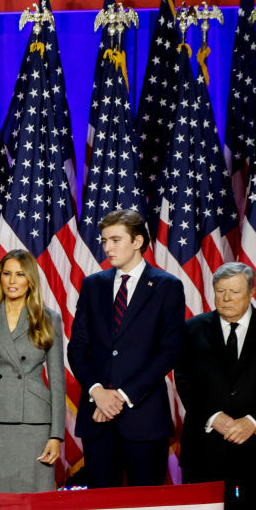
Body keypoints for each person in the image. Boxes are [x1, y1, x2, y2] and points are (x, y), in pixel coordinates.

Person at [67, 209, 185, 488]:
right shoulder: (92, 285)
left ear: (138, 241)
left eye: (115, 240)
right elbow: (77, 348)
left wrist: (119, 396)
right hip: (97, 421)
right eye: (105, 240)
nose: (107, 247)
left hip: (143, 419)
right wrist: (97, 391)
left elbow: (168, 351)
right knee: (100, 509)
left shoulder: (167, 286)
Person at [176, 262, 256, 510]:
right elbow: (184, 380)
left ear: (252, 293)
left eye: (235, 291)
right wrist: (215, 417)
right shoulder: (192, 328)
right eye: (220, 291)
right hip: (206, 448)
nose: (227, 298)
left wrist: (253, 421)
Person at [0, 249, 65, 493]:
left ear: (30, 280)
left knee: (34, 502)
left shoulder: (48, 318)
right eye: (7, 274)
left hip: (33, 423)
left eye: (19, 274)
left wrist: (56, 436)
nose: (12, 281)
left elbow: (58, 382)